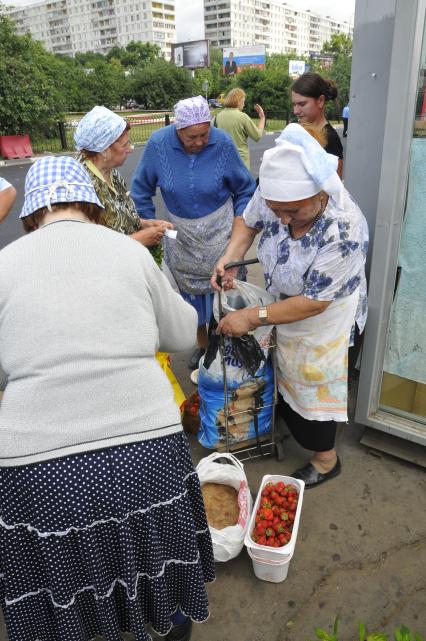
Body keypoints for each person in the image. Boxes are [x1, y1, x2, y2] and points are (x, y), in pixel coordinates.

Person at [0, 156, 215, 641]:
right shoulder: (128, 252)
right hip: (144, 448)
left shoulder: (4, 263)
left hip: (37, 467)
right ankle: (166, 622)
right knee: (156, 548)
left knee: (66, 567)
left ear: (32, 213)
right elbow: (182, 334)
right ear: (93, 206)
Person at [212, 124, 368, 488]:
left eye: (292, 212)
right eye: (276, 210)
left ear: (318, 195)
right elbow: (248, 222)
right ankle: (291, 414)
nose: (281, 219)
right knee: (282, 370)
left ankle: (326, 460)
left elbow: (313, 303)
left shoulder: (344, 229)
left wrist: (250, 317)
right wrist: (231, 256)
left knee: (313, 384)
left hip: (324, 317)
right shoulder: (275, 195)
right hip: (284, 302)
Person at [131, 95, 256, 374]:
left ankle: (231, 347)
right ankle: (205, 346)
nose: (199, 141)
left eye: (204, 134)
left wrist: (241, 223)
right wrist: (147, 223)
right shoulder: (158, 144)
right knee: (191, 301)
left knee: (226, 293)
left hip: (220, 231)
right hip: (181, 235)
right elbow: (141, 190)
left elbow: (245, 188)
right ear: (178, 130)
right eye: (192, 136)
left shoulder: (222, 142)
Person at [74, 105, 172, 266]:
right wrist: (139, 239)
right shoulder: (80, 184)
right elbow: (86, 247)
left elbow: (116, 218)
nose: (130, 149)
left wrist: (144, 224)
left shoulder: (110, 172)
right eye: (125, 144)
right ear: (104, 149)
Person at [291, 72, 344, 177]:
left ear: (320, 101)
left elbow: (334, 188)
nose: (295, 111)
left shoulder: (331, 139)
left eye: (302, 104)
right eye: (294, 104)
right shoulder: (294, 128)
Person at [214, 87, 265, 170]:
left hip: (223, 162)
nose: (244, 104)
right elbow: (257, 136)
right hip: (241, 163)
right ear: (239, 101)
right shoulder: (243, 117)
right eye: (243, 101)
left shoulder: (217, 117)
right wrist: (262, 118)